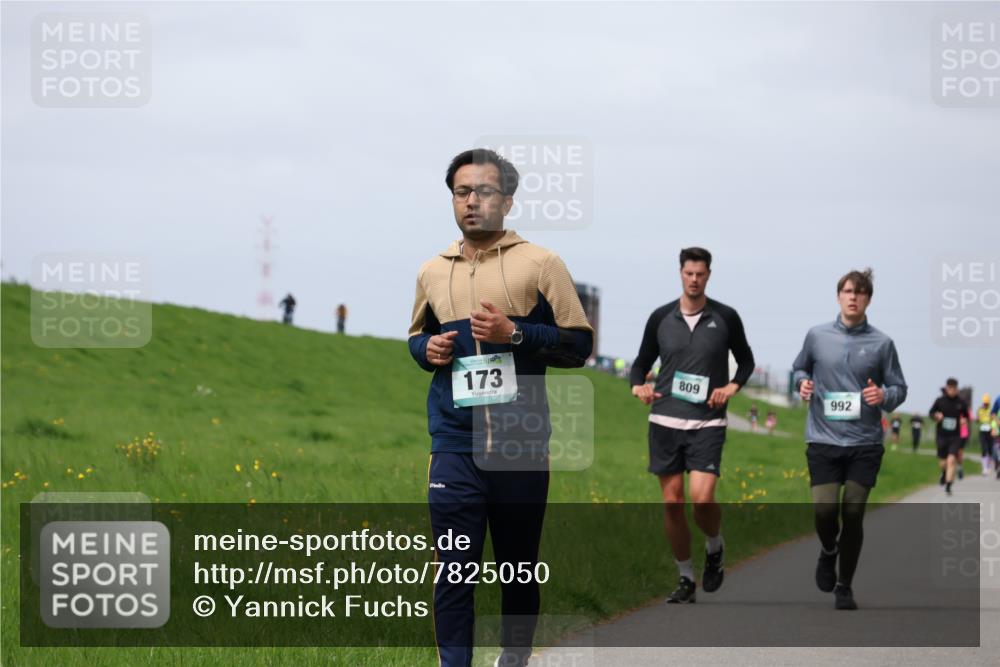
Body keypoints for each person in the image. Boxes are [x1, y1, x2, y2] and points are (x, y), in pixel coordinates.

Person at [408, 148, 593, 667]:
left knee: (516, 567)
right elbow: (416, 337)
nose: (472, 201)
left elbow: (578, 345)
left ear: (507, 201)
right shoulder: (431, 270)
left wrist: (516, 333)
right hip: (453, 445)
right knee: (453, 571)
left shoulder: (541, 263)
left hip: (520, 446)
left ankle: (514, 658)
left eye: (484, 191)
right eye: (462, 192)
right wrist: (428, 350)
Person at [629, 246, 755, 604]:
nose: (694, 279)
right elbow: (640, 364)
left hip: (707, 422)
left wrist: (731, 386)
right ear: (680, 274)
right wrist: (638, 386)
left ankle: (714, 547)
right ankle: (685, 578)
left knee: (702, 500)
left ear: (709, 275)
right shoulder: (660, 318)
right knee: (672, 502)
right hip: (664, 420)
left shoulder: (726, 317)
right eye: (689, 273)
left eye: (700, 274)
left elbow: (745, 361)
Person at [792, 268, 907, 610]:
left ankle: (845, 586)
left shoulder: (882, 344)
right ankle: (829, 550)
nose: (853, 297)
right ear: (838, 296)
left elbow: (899, 388)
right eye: (847, 291)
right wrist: (802, 383)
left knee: (854, 511)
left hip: (864, 442)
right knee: (825, 509)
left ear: (868, 299)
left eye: (859, 292)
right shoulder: (816, 336)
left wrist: (882, 396)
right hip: (823, 439)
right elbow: (799, 368)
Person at [930, 379, 970, 495]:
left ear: (957, 389)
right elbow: (931, 413)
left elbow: (966, 416)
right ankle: (943, 472)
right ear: (946, 388)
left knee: (952, 460)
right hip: (941, 436)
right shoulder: (940, 401)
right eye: (950, 388)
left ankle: (948, 485)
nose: (952, 390)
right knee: (943, 462)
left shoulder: (961, 403)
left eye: (954, 388)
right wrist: (936, 416)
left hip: (955, 436)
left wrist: (964, 420)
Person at [977, 394, 994, 476]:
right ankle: (984, 468)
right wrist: (977, 419)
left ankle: (988, 466)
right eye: (984, 403)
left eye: (987, 403)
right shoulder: (980, 410)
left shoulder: (992, 410)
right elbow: (978, 419)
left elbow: (994, 420)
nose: (985, 404)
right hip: (982, 431)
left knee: (990, 450)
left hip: (990, 431)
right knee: (984, 449)